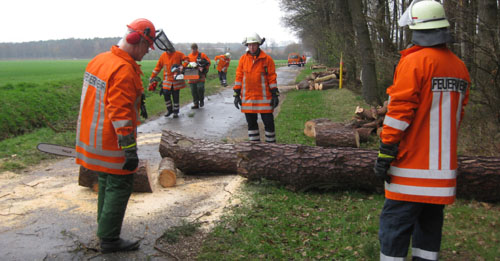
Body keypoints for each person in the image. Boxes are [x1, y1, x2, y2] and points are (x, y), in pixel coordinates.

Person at [374, 1, 470, 260]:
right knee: (429, 226)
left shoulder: (414, 62)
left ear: (416, 28)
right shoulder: (459, 68)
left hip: (411, 166)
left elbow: (399, 112)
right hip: (442, 171)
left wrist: (386, 150)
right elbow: (456, 115)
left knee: (394, 225)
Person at [75, 18, 159, 253]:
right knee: (120, 183)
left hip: (92, 139)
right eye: (146, 47)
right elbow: (120, 113)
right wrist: (129, 148)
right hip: (111, 141)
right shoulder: (123, 69)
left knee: (106, 182)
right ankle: (110, 239)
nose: (146, 52)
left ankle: (105, 230)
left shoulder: (100, 60)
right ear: (136, 40)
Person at [233, 33, 278, 143]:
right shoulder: (243, 60)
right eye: (250, 45)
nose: (252, 47)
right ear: (247, 46)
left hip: (264, 98)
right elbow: (239, 77)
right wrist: (236, 94)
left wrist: (274, 94)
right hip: (248, 98)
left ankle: (271, 148)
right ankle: (255, 148)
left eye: (254, 45)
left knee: (269, 123)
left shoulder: (267, 60)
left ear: (258, 45)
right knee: (251, 124)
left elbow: (272, 77)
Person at [148, 44, 187, 118]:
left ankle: (176, 111)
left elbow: (187, 60)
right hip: (167, 79)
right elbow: (158, 67)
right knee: (165, 94)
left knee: (176, 95)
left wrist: (183, 66)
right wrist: (152, 76)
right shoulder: (163, 56)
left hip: (176, 79)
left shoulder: (178, 54)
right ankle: (169, 110)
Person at [185, 43, 211, 109]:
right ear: (191, 49)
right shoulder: (189, 56)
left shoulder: (202, 55)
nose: (193, 50)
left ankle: (201, 100)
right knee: (193, 90)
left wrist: (203, 67)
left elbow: (208, 62)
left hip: (200, 74)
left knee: (200, 88)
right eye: (192, 49)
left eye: (195, 49)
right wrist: (182, 67)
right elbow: (185, 64)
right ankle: (196, 104)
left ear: (197, 48)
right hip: (191, 74)